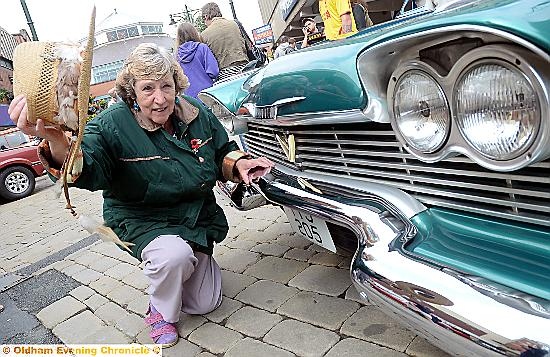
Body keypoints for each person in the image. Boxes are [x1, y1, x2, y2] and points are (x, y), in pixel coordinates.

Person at [9, 43, 274, 348]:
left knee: (204, 303)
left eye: (167, 86)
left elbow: (222, 149)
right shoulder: (111, 124)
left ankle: (183, 264)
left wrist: (239, 163)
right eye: (148, 88)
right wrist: (56, 138)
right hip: (143, 221)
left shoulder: (195, 111)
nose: (160, 99)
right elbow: (86, 166)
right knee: (172, 257)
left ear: (177, 83)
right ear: (132, 90)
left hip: (195, 219)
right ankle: (160, 308)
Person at [200, 2, 248, 81]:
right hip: (245, 67)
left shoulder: (204, 35)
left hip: (225, 74)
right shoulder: (235, 24)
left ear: (206, 16)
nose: (205, 24)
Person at [175, 22, 219, 99]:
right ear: (194, 33)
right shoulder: (202, 48)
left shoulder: (176, 55)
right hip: (207, 93)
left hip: (188, 98)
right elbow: (214, 72)